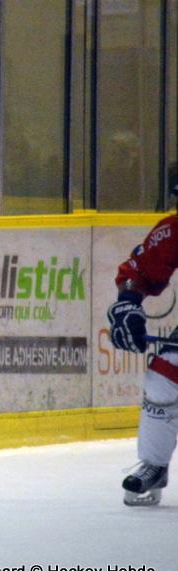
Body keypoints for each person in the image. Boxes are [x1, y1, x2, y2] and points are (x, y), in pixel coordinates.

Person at [108, 178, 178, 506]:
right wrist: (128, 304)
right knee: (163, 377)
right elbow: (139, 271)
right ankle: (154, 465)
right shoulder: (173, 231)